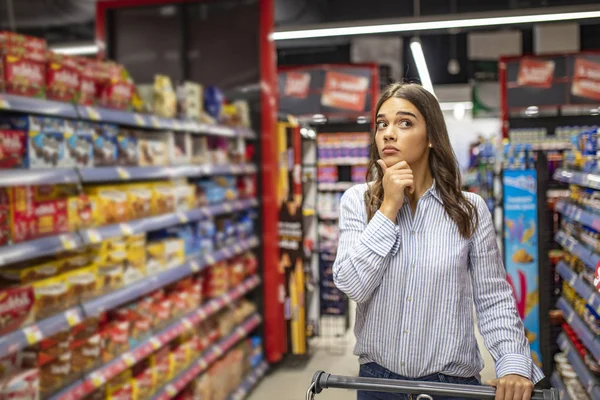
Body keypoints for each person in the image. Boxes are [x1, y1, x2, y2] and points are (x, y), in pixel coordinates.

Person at [332, 83, 544, 400]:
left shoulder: (469, 209)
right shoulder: (357, 202)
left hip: (451, 387)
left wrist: (513, 365)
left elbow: (493, 298)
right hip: (379, 386)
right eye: (382, 124)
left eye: (405, 122)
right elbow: (352, 285)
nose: (389, 133)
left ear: (431, 136)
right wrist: (388, 208)